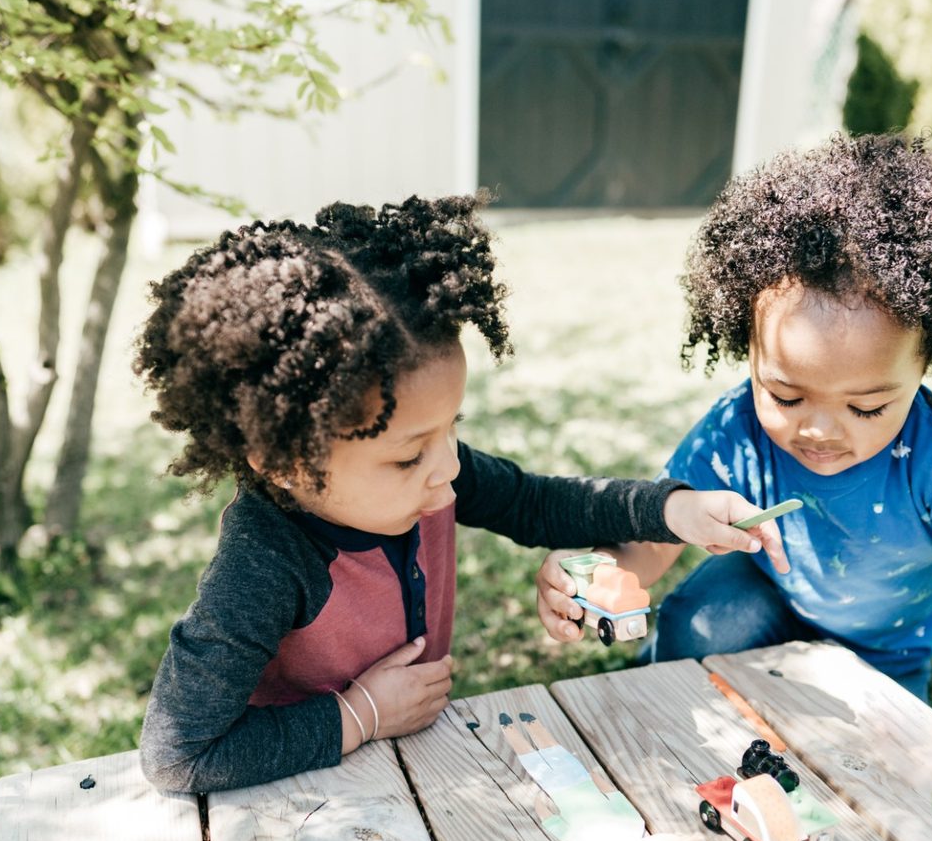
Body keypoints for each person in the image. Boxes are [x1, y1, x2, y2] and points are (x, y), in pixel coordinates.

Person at [134, 194, 785, 793]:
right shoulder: (265, 562)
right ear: (285, 463)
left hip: (419, 769)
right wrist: (360, 715)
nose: (447, 468)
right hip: (297, 800)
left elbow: (539, 502)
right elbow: (177, 753)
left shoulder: (434, 479)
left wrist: (674, 508)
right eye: (410, 454)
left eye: (454, 429)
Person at [536, 134, 932, 701]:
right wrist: (596, 574)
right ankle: (663, 691)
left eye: (866, 406)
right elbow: (649, 544)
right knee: (695, 621)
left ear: (926, 366)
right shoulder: (737, 426)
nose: (818, 430)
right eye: (786, 397)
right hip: (762, 604)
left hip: (883, 657)